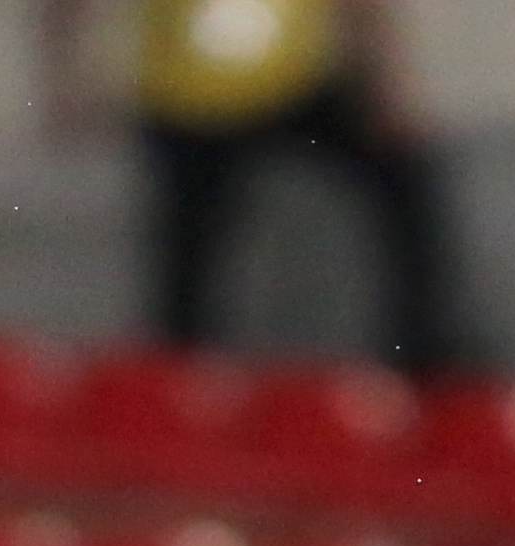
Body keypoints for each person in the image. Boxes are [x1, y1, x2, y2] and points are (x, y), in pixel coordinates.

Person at [109, 0, 463, 368]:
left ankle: (428, 354)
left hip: (292, 85)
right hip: (189, 105)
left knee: (400, 180)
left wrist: (387, 83)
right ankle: (180, 364)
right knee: (190, 245)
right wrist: (77, 69)